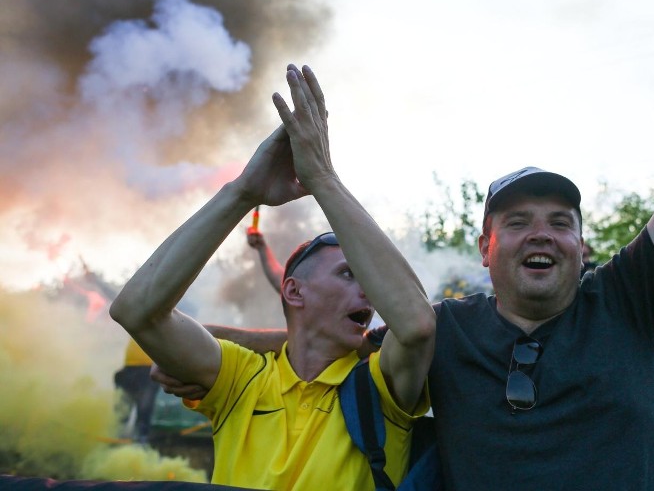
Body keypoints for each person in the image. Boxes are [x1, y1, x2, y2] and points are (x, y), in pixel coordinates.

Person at [155, 0, 654, 488]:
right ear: (485, 250)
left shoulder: (627, 299)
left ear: (583, 249)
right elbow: (331, 338)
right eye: (517, 222)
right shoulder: (449, 331)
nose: (541, 234)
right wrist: (199, 347)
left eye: (561, 221)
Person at [111, 64, 435, 490]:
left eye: (367, 277)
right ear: (294, 291)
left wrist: (322, 178)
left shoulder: (379, 383)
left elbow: (415, 325)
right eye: (346, 273)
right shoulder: (241, 377)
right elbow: (137, 312)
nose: (369, 289)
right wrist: (241, 192)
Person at [113, 337, 160, 444]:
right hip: (131, 368)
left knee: (143, 410)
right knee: (122, 412)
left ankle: (140, 441)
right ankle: (117, 440)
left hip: (147, 370)